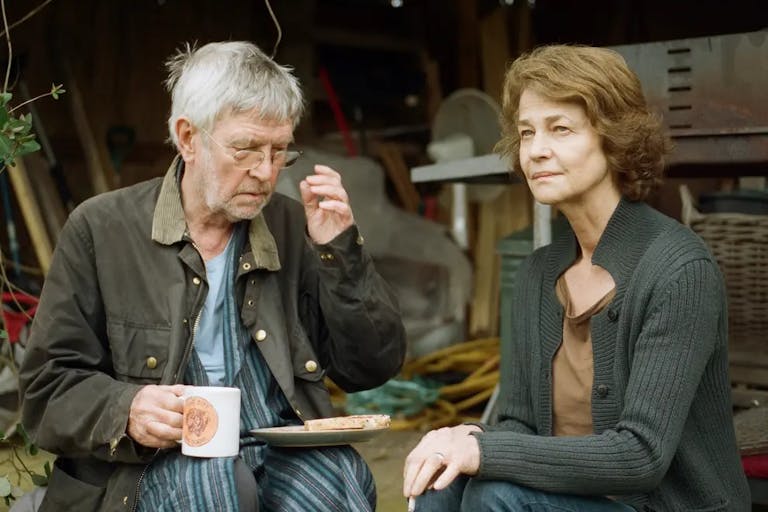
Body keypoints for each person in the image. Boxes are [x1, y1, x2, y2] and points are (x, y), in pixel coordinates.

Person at [19, 41, 406, 512]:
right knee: (212, 488)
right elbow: (46, 388)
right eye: (245, 149)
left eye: (279, 151)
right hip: (153, 464)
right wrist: (126, 409)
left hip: (276, 447)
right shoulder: (101, 229)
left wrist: (340, 252)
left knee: (335, 480)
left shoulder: (294, 225)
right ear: (188, 137)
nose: (265, 172)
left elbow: (371, 367)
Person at [402, 44, 750, 511]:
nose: (536, 151)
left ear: (614, 138)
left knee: (496, 494)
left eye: (560, 129)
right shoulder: (537, 273)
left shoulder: (679, 270)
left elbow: (641, 456)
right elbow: (519, 424)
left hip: (661, 505)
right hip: (569, 500)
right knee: (441, 483)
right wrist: (464, 439)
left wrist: (484, 451)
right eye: (527, 133)